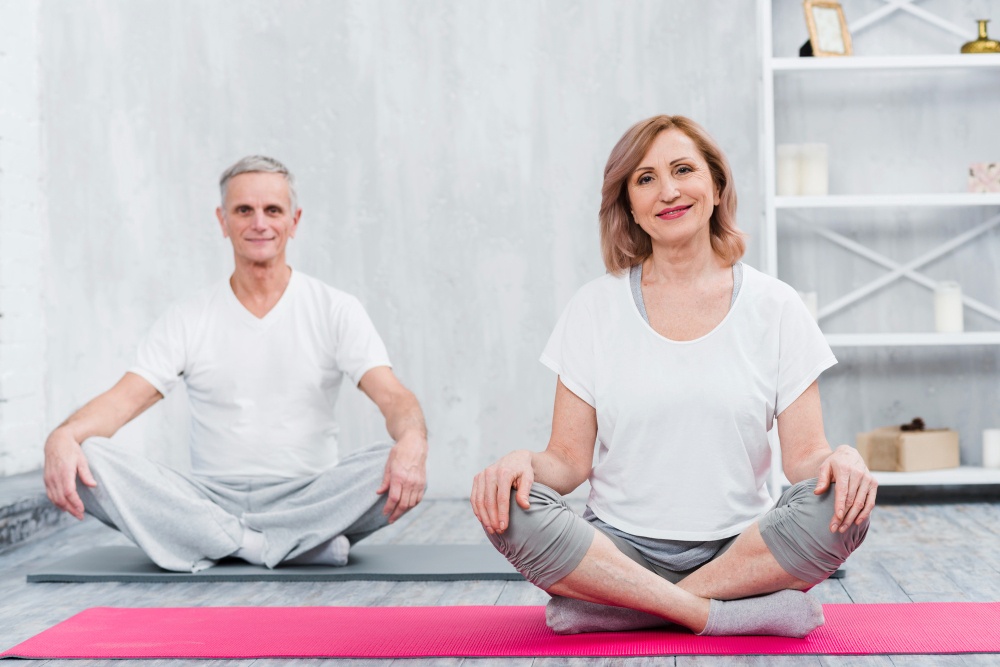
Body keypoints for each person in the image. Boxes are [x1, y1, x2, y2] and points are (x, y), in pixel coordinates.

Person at [470, 115, 875, 638]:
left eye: (683, 169)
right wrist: (520, 463)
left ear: (715, 186)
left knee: (845, 504)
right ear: (630, 208)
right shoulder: (594, 307)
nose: (668, 191)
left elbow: (806, 461)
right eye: (645, 179)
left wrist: (842, 459)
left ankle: (623, 608)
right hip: (618, 549)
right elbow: (567, 462)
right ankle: (730, 614)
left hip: (743, 549)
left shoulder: (776, 306)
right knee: (508, 503)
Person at [43, 156, 428, 573]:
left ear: (294, 221)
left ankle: (222, 541)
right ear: (223, 220)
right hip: (208, 498)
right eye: (244, 210)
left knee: (395, 457)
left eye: (273, 210)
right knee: (89, 457)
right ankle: (278, 546)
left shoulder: (335, 308)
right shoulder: (189, 315)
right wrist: (63, 435)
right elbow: (123, 401)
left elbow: (392, 396)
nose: (259, 222)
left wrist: (412, 442)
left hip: (309, 496)